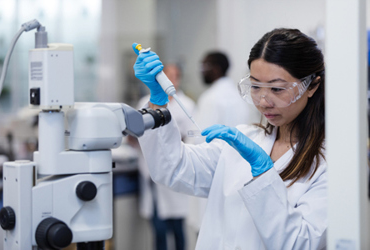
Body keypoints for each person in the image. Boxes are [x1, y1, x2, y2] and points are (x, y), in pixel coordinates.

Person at [131, 28, 326, 249]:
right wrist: (158, 101)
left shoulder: (328, 164)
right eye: (255, 86)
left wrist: (263, 174)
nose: (263, 101)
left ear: (312, 86)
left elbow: (302, 244)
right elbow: (174, 168)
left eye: (277, 89)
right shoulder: (242, 141)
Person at [188, 51, 261, 234]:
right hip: (237, 179)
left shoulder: (211, 98)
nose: (201, 71)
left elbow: (198, 142)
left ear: (216, 68)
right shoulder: (239, 97)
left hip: (212, 176)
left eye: (204, 66)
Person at [136, 64, 196, 250]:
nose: (169, 80)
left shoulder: (187, 105)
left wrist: (170, 143)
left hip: (179, 168)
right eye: (165, 76)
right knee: (159, 229)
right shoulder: (146, 102)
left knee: (178, 227)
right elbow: (136, 132)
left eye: (173, 76)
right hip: (153, 174)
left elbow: (192, 136)